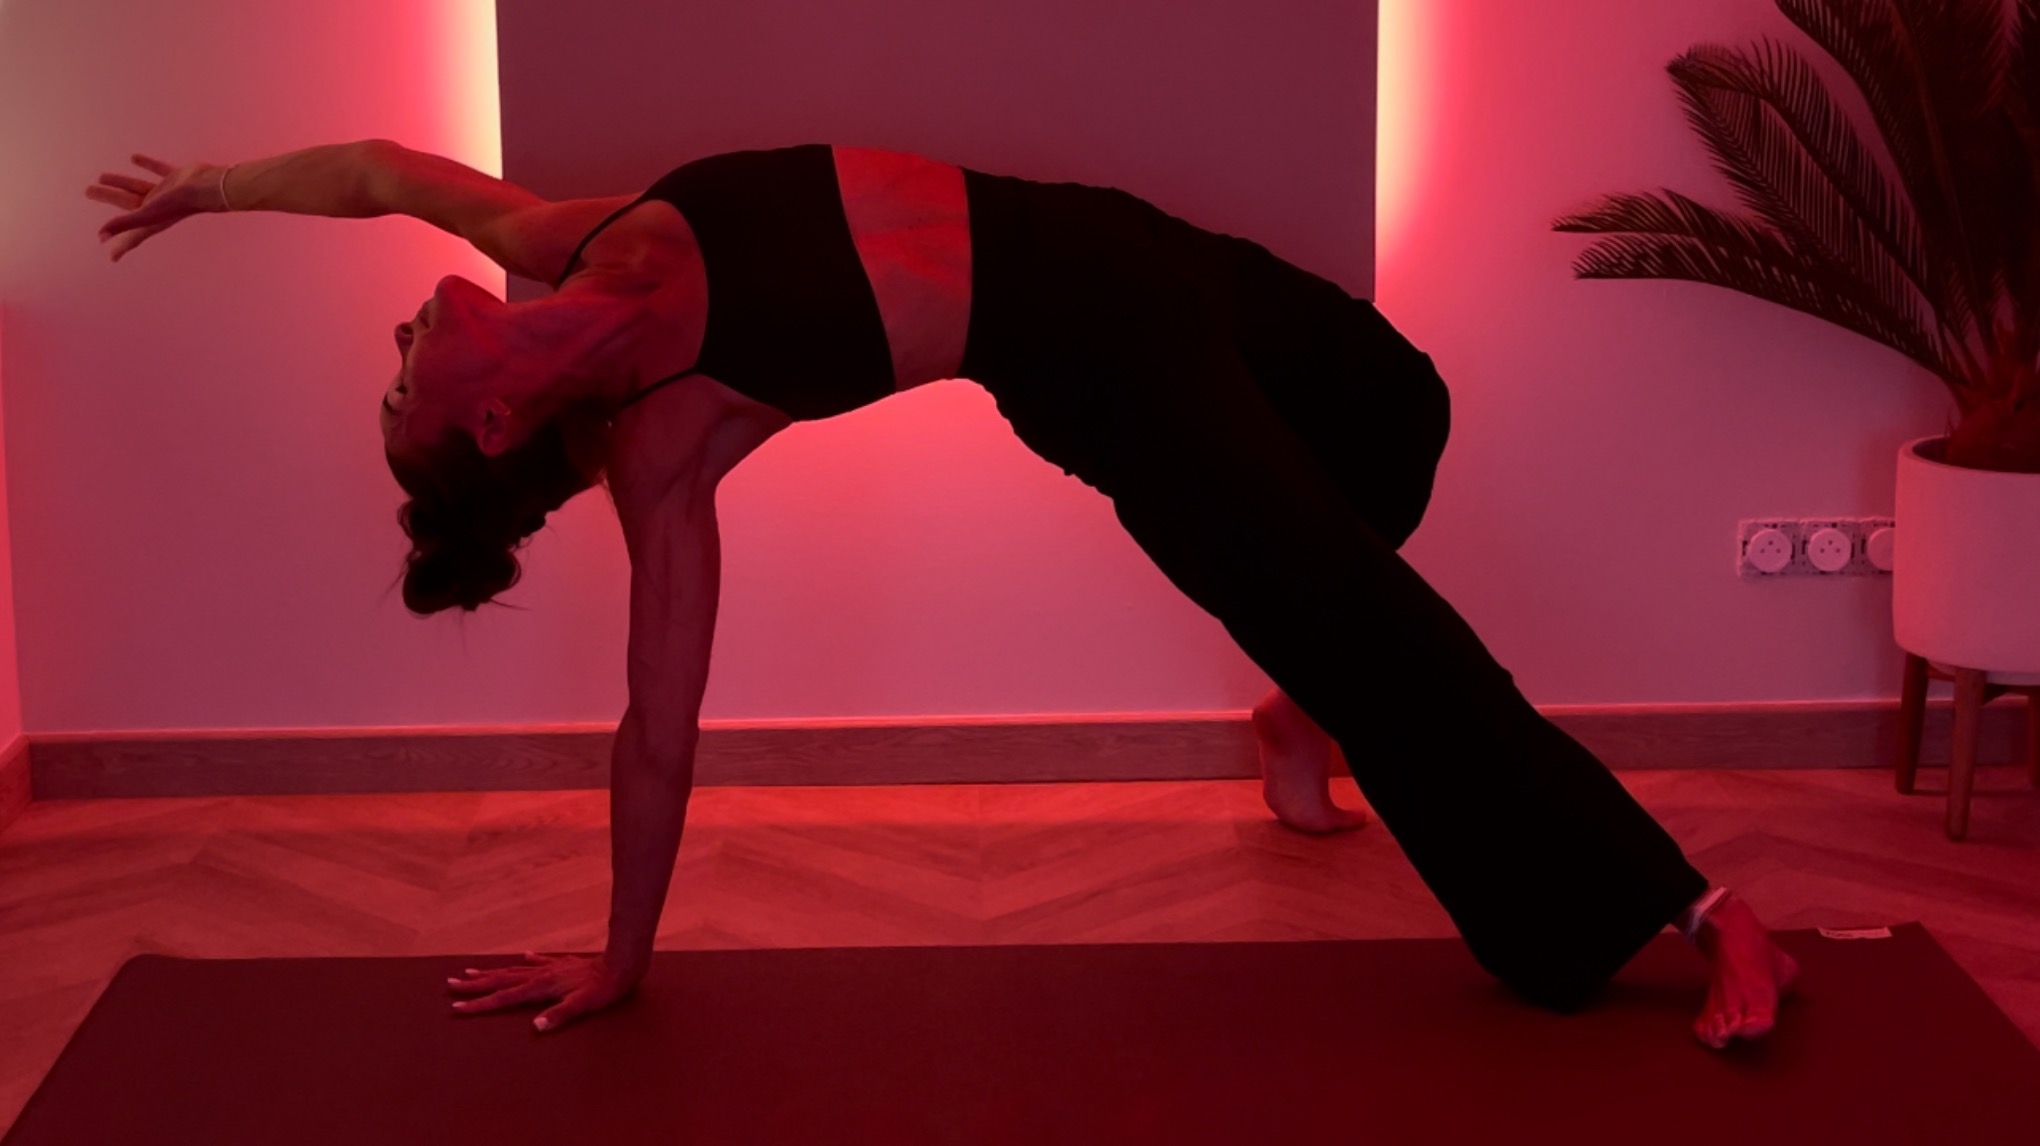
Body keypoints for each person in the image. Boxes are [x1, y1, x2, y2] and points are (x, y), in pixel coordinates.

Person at [87, 140, 1797, 1047]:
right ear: (484, 421)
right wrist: (620, 957)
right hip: (1106, 373)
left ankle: (1298, 703)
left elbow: (381, 172)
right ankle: (1694, 907)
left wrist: (212, 190)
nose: (401, 331)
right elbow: (656, 726)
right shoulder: (669, 447)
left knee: (1397, 405)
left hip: (1111, 237)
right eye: (401, 381)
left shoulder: (562, 235)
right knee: (1374, 619)